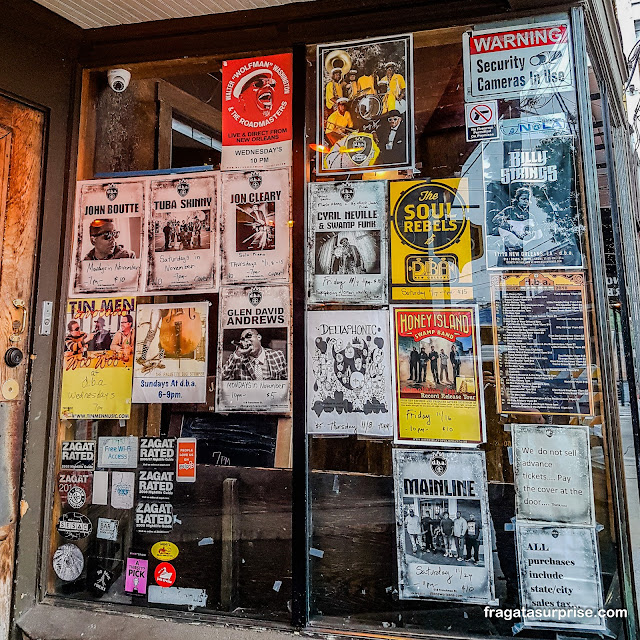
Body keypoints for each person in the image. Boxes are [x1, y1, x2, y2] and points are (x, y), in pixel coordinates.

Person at [222, 329, 287, 381]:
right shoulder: (238, 359)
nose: (246, 341)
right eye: (242, 339)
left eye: (248, 336)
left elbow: (287, 381)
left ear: (259, 337)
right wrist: (237, 353)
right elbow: (222, 377)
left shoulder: (277, 355)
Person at [492, 187, 535, 256]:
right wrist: (507, 225)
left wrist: (532, 234)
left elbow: (535, 231)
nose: (526, 201)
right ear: (517, 199)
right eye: (523, 199)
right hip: (509, 247)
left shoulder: (530, 216)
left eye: (527, 199)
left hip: (525, 249)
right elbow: (495, 219)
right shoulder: (509, 210)